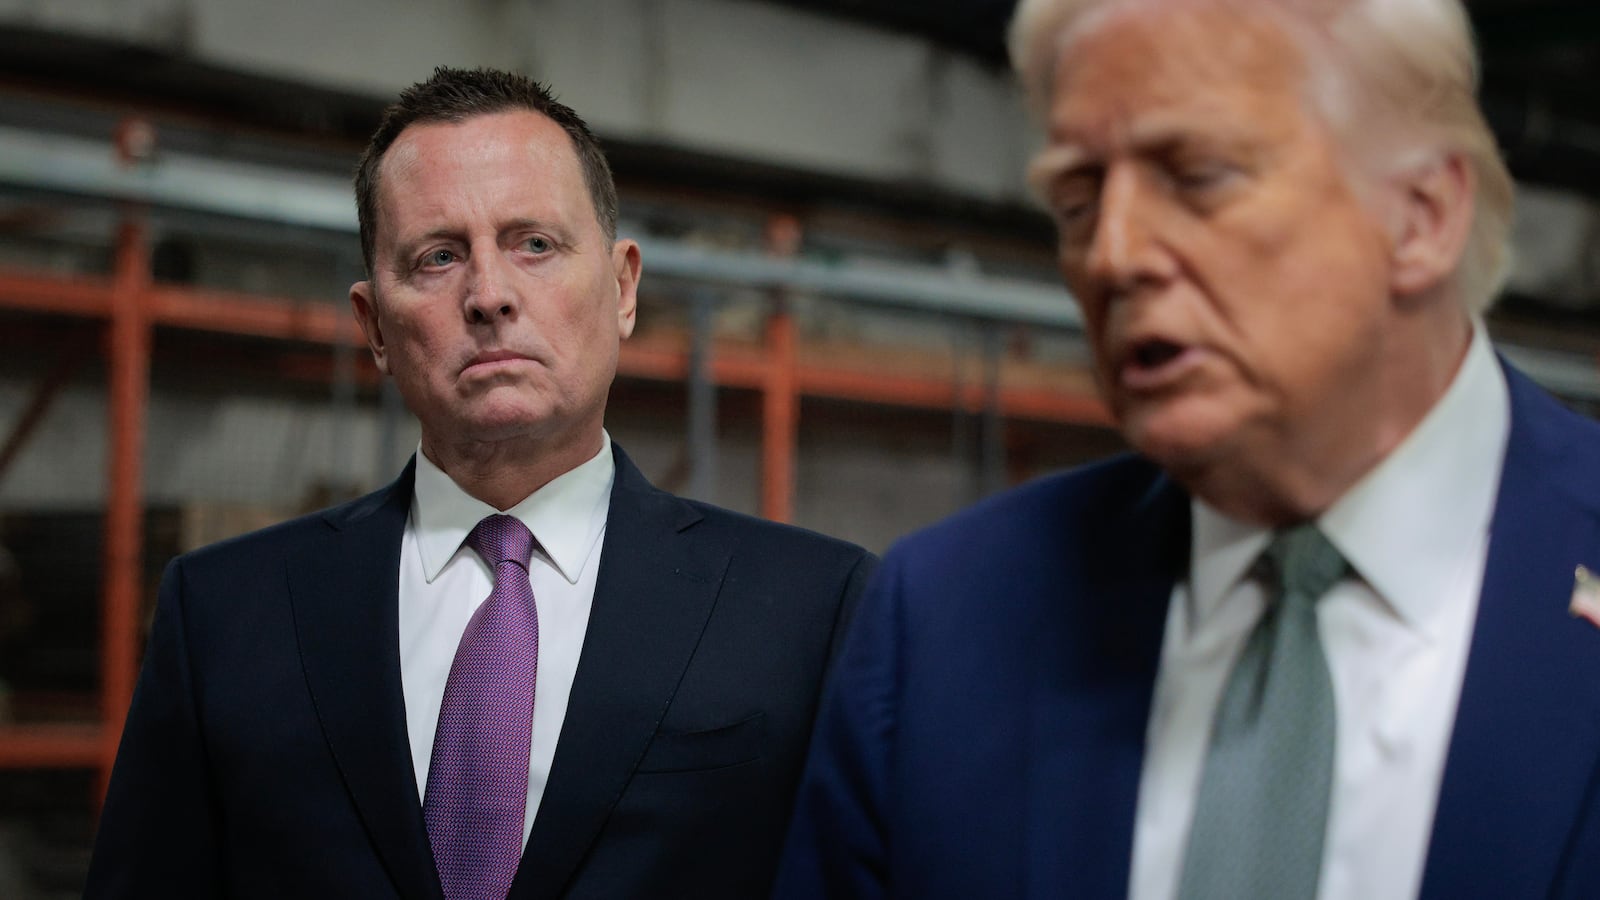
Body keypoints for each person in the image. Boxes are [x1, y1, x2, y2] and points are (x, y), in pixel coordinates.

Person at [775, 1, 1600, 898]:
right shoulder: (945, 620)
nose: (1113, 255)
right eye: (1078, 202)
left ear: (1422, 216)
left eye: (1198, 177)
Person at [86, 67, 874, 900]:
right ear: (374, 327)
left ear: (622, 288)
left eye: (534, 244)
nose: (489, 295)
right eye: (438, 257)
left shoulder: (813, 610)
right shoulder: (223, 616)